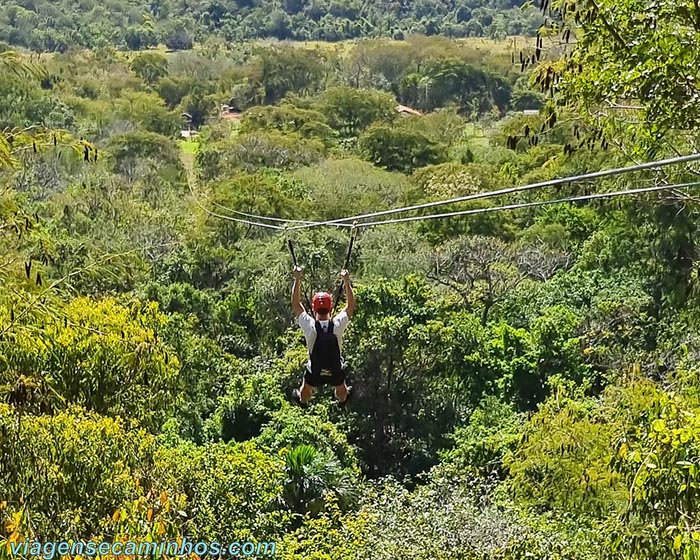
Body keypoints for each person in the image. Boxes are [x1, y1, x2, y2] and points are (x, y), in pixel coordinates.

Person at [291, 265, 355, 407]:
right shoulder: (337, 325)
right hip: (335, 368)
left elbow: (296, 304)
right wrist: (346, 281)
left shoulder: (310, 326)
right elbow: (350, 307)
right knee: (341, 387)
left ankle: (303, 401)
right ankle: (342, 400)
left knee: (306, 387)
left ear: (314, 308)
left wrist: (297, 279)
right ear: (330, 308)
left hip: (315, 370)